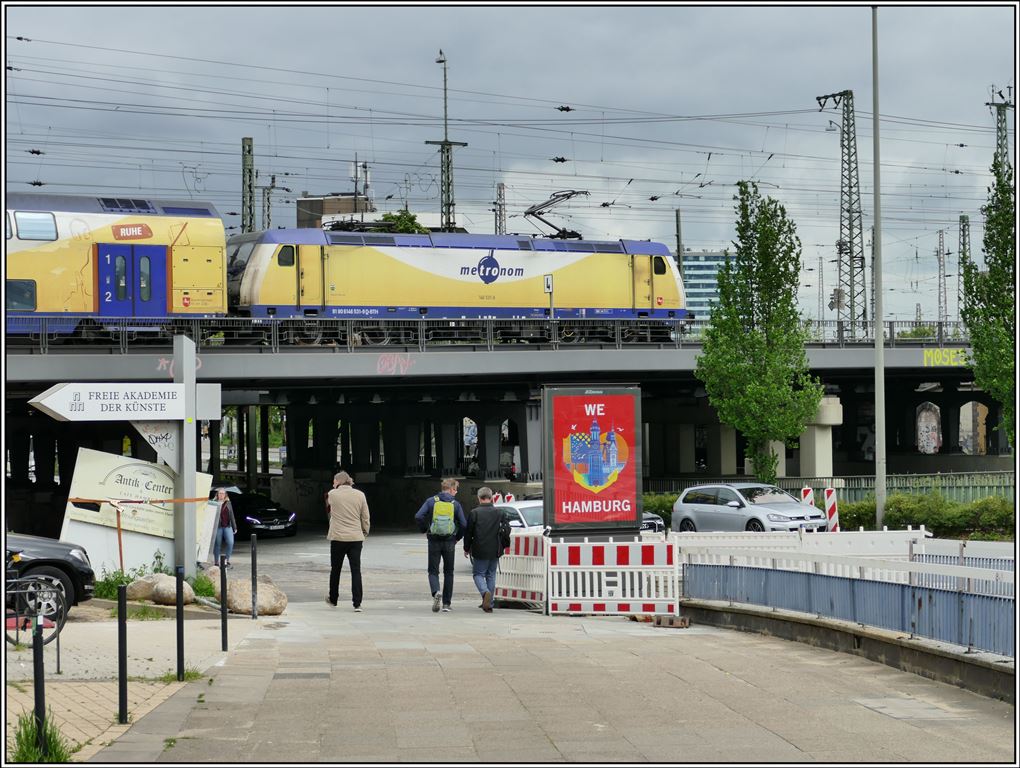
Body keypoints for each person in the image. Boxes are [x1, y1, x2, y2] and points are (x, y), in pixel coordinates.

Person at [414, 477, 467, 613]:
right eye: (455, 490)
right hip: (450, 541)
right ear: (450, 489)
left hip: (433, 540)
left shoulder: (431, 501)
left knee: (433, 571)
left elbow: (418, 516)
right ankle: (446, 604)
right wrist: (457, 537)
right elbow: (464, 524)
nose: (456, 492)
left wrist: (425, 529)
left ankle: (436, 592)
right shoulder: (455, 504)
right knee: (449, 572)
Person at [325, 471, 370, 611]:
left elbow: (329, 508)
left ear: (338, 481)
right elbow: (365, 516)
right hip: (356, 538)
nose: (333, 483)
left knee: (336, 569)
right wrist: (364, 532)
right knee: (356, 570)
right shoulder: (360, 495)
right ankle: (357, 603)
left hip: (338, 537)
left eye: (334, 481)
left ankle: (333, 599)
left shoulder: (332, 494)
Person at [462, 486, 505, 613]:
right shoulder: (499, 513)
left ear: (479, 498)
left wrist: (466, 547)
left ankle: (485, 592)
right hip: (495, 549)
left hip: (480, 549)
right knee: (491, 575)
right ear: (491, 498)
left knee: (478, 574)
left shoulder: (474, 513)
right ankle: (489, 603)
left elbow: (468, 532)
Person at [213, 488, 238, 568]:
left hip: (228, 526)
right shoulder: (214, 503)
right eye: (220, 493)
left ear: (225, 495)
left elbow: (232, 515)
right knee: (217, 544)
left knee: (230, 542)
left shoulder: (228, 503)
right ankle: (216, 562)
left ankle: (226, 561)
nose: (221, 495)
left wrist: (235, 527)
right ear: (217, 494)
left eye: (223, 493)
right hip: (218, 527)